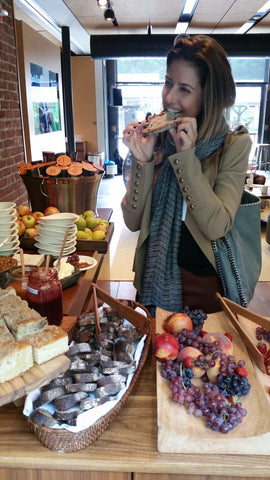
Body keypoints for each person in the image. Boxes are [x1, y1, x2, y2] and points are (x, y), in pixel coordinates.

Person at [121, 34, 252, 316]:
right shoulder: (155, 141)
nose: (169, 97)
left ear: (209, 96)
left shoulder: (234, 144)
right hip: (151, 281)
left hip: (204, 290)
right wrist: (142, 160)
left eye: (184, 89)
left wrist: (185, 158)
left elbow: (217, 225)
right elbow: (131, 222)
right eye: (168, 82)